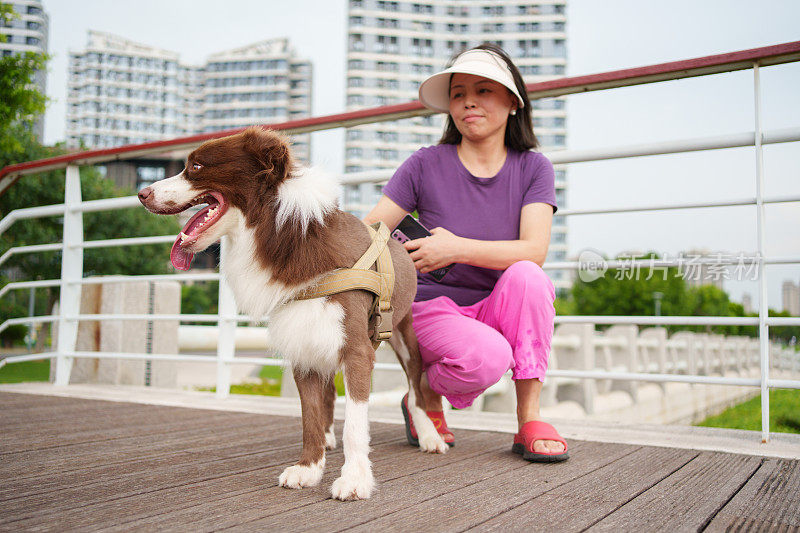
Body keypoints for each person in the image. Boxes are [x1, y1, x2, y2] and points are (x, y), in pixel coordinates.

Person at [364, 44, 567, 462]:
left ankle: (529, 418)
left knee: (530, 275)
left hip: (494, 306)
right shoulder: (424, 164)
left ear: (513, 102)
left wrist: (455, 247)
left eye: (484, 90)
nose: (469, 101)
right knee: (488, 358)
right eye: (458, 93)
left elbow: (534, 249)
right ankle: (422, 392)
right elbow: (371, 230)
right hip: (430, 307)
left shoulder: (534, 168)